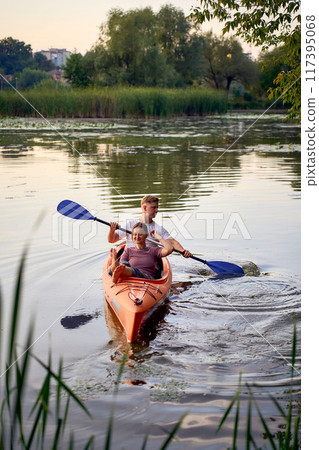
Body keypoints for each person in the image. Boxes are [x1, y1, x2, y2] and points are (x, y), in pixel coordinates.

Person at [108, 195, 192, 258]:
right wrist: (112, 230)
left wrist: (183, 251)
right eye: (154, 207)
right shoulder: (130, 224)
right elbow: (112, 240)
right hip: (130, 258)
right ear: (144, 208)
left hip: (149, 261)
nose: (157, 210)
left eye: (157, 207)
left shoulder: (158, 228)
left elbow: (172, 242)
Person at [109, 222, 173, 283]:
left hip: (148, 279)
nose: (137, 237)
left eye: (140, 234)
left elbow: (169, 249)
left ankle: (118, 272)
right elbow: (123, 266)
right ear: (132, 237)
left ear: (146, 235)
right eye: (135, 234)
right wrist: (114, 258)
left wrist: (158, 237)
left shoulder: (153, 250)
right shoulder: (128, 250)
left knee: (130, 270)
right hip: (131, 279)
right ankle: (115, 264)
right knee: (121, 267)